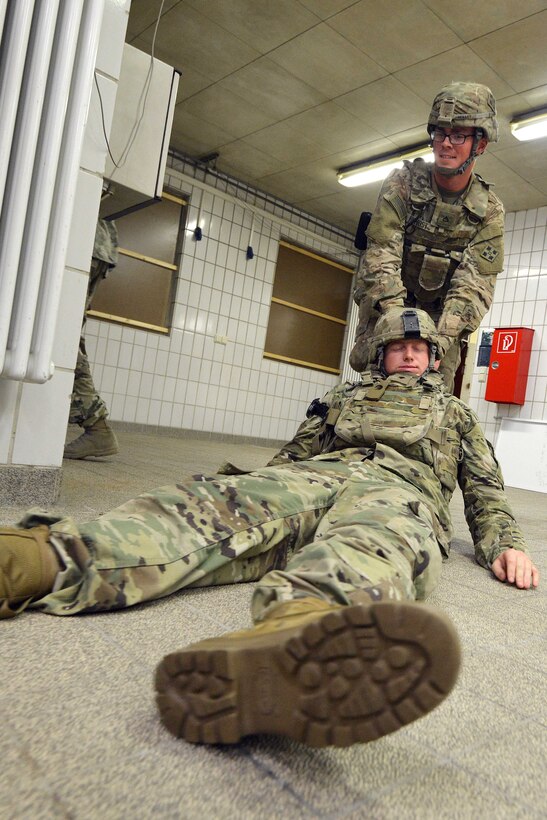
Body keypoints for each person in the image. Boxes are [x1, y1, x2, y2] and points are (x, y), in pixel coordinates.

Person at [0, 309, 538, 751]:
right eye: (399, 345)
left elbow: (484, 489)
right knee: (211, 504)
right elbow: (293, 456)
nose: (410, 352)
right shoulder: (342, 397)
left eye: (420, 348)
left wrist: (505, 543)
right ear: (382, 354)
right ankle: (32, 560)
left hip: (401, 490)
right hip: (316, 475)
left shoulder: (457, 415)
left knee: (377, 541)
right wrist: (255, 491)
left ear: (434, 361)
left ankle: (299, 635)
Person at [350, 81, 505, 392]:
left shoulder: (488, 210)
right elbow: (380, 256)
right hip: (388, 306)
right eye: (440, 133)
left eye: (459, 134)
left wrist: (437, 343)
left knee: (434, 396)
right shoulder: (403, 183)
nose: (446, 143)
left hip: (441, 320)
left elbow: (474, 287)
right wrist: (399, 331)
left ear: (480, 144)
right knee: (374, 388)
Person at [63, 218, 119, 459]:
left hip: (81, 240)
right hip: (100, 241)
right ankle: (97, 428)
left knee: (60, 334)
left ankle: (97, 427)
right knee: (66, 333)